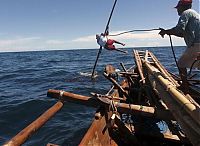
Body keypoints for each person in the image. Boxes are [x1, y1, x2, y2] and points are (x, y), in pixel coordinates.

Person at [159, 0, 200, 92]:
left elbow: (180, 29)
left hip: (196, 44)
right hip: (198, 43)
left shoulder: (186, 13)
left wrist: (166, 31)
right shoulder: (195, 14)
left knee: (181, 64)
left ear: (183, 7)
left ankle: (185, 87)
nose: (177, 10)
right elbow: (183, 34)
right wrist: (169, 32)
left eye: (178, 8)